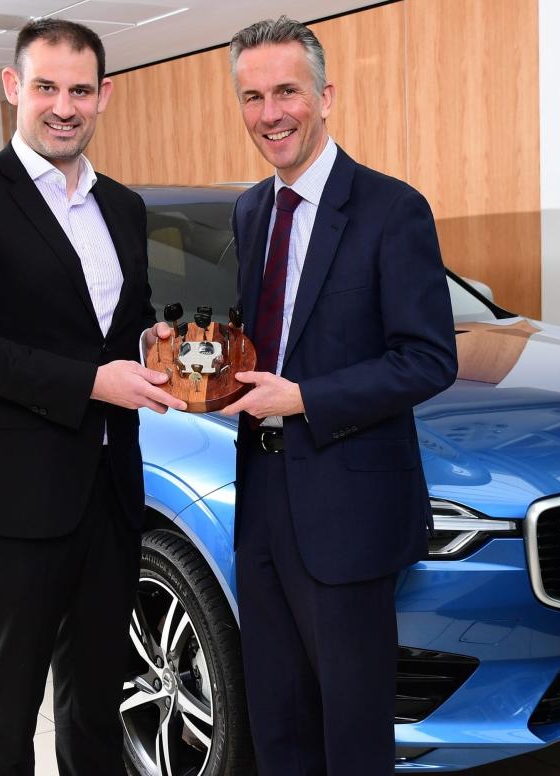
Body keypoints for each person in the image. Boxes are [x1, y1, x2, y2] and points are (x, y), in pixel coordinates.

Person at [0, 18, 184, 776]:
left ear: (103, 96)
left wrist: (181, 362)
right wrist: (92, 383)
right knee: (5, 707)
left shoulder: (124, 207)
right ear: (13, 89)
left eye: (79, 90)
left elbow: (126, 329)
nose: (63, 106)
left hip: (109, 490)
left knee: (98, 697)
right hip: (10, 497)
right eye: (46, 87)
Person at [220, 16, 458, 775]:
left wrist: (306, 398)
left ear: (326, 96)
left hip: (347, 508)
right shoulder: (251, 210)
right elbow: (264, 343)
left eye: (285, 91)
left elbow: (427, 359)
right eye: (252, 97)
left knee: (351, 731)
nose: (270, 113)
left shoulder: (393, 210)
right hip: (259, 500)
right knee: (277, 717)